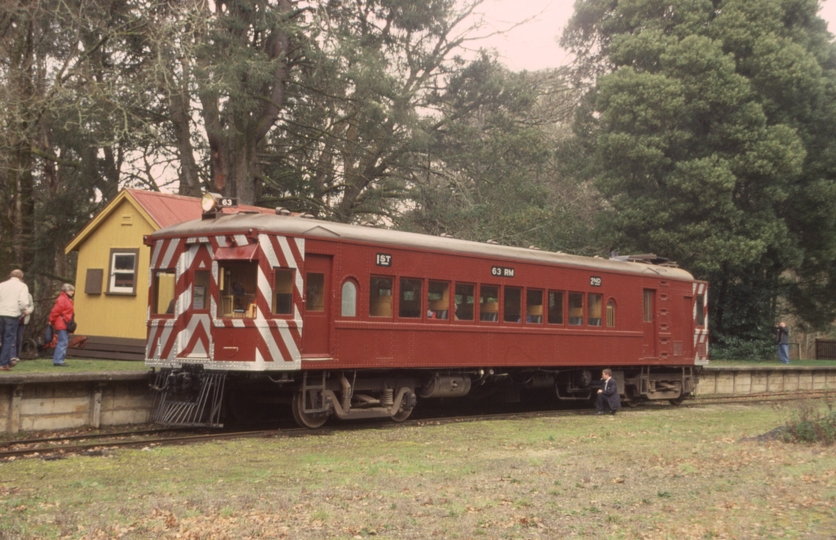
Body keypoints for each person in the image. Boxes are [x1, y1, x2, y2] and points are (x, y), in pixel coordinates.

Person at [0, 269, 31, 371]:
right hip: (12, 314)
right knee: (8, 339)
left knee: (2, 338)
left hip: (1, 313)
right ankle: (4, 363)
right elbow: (22, 301)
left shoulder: (2, 285)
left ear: (10, 275)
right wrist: (25, 310)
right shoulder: (22, 286)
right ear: (21, 277)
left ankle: (5, 361)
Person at [49, 283, 75, 367]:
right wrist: (51, 320)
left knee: (63, 341)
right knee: (62, 342)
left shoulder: (66, 299)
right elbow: (56, 311)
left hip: (63, 322)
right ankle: (58, 360)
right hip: (62, 323)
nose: (72, 293)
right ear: (66, 291)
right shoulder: (62, 299)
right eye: (71, 291)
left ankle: (59, 359)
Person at [13, 290, 34, 364]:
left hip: (23, 320)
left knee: (19, 338)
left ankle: (16, 355)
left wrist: (28, 311)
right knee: (12, 338)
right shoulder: (12, 293)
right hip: (13, 318)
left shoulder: (28, 295)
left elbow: (31, 305)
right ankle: (11, 356)